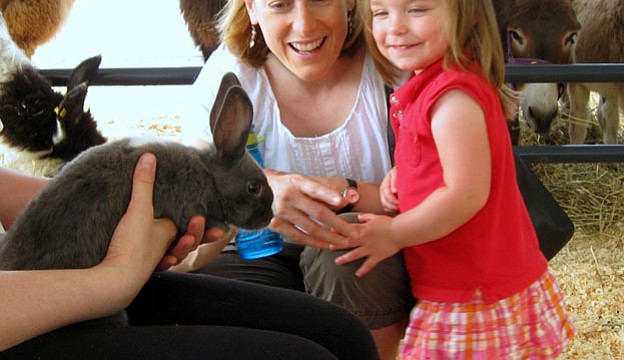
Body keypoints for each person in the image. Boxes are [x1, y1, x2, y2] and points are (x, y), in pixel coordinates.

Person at [180, 0, 414, 360]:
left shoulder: (393, 66)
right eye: (279, 3)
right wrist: (263, 189)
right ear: (249, 2)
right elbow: (192, 182)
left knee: (345, 249)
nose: (304, 25)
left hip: (370, 261)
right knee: (217, 297)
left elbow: (443, 186)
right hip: (253, 253)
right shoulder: (231, 75)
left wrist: (349, 195)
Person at [335, 0, 575, 358]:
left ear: (467, 13)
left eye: (416, 9)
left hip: (472, 289)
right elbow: (442, 164)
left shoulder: (453, 97)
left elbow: (466, 194)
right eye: (381, 13)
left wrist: (394, 233)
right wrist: (401, 177)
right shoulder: (435, 82)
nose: (396, 28)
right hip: (465, 280)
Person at [0, 155, 381, 359]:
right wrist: (110, 281)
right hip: (21, 320)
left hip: (26, 280)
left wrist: (125, 210)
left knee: (340, 334)